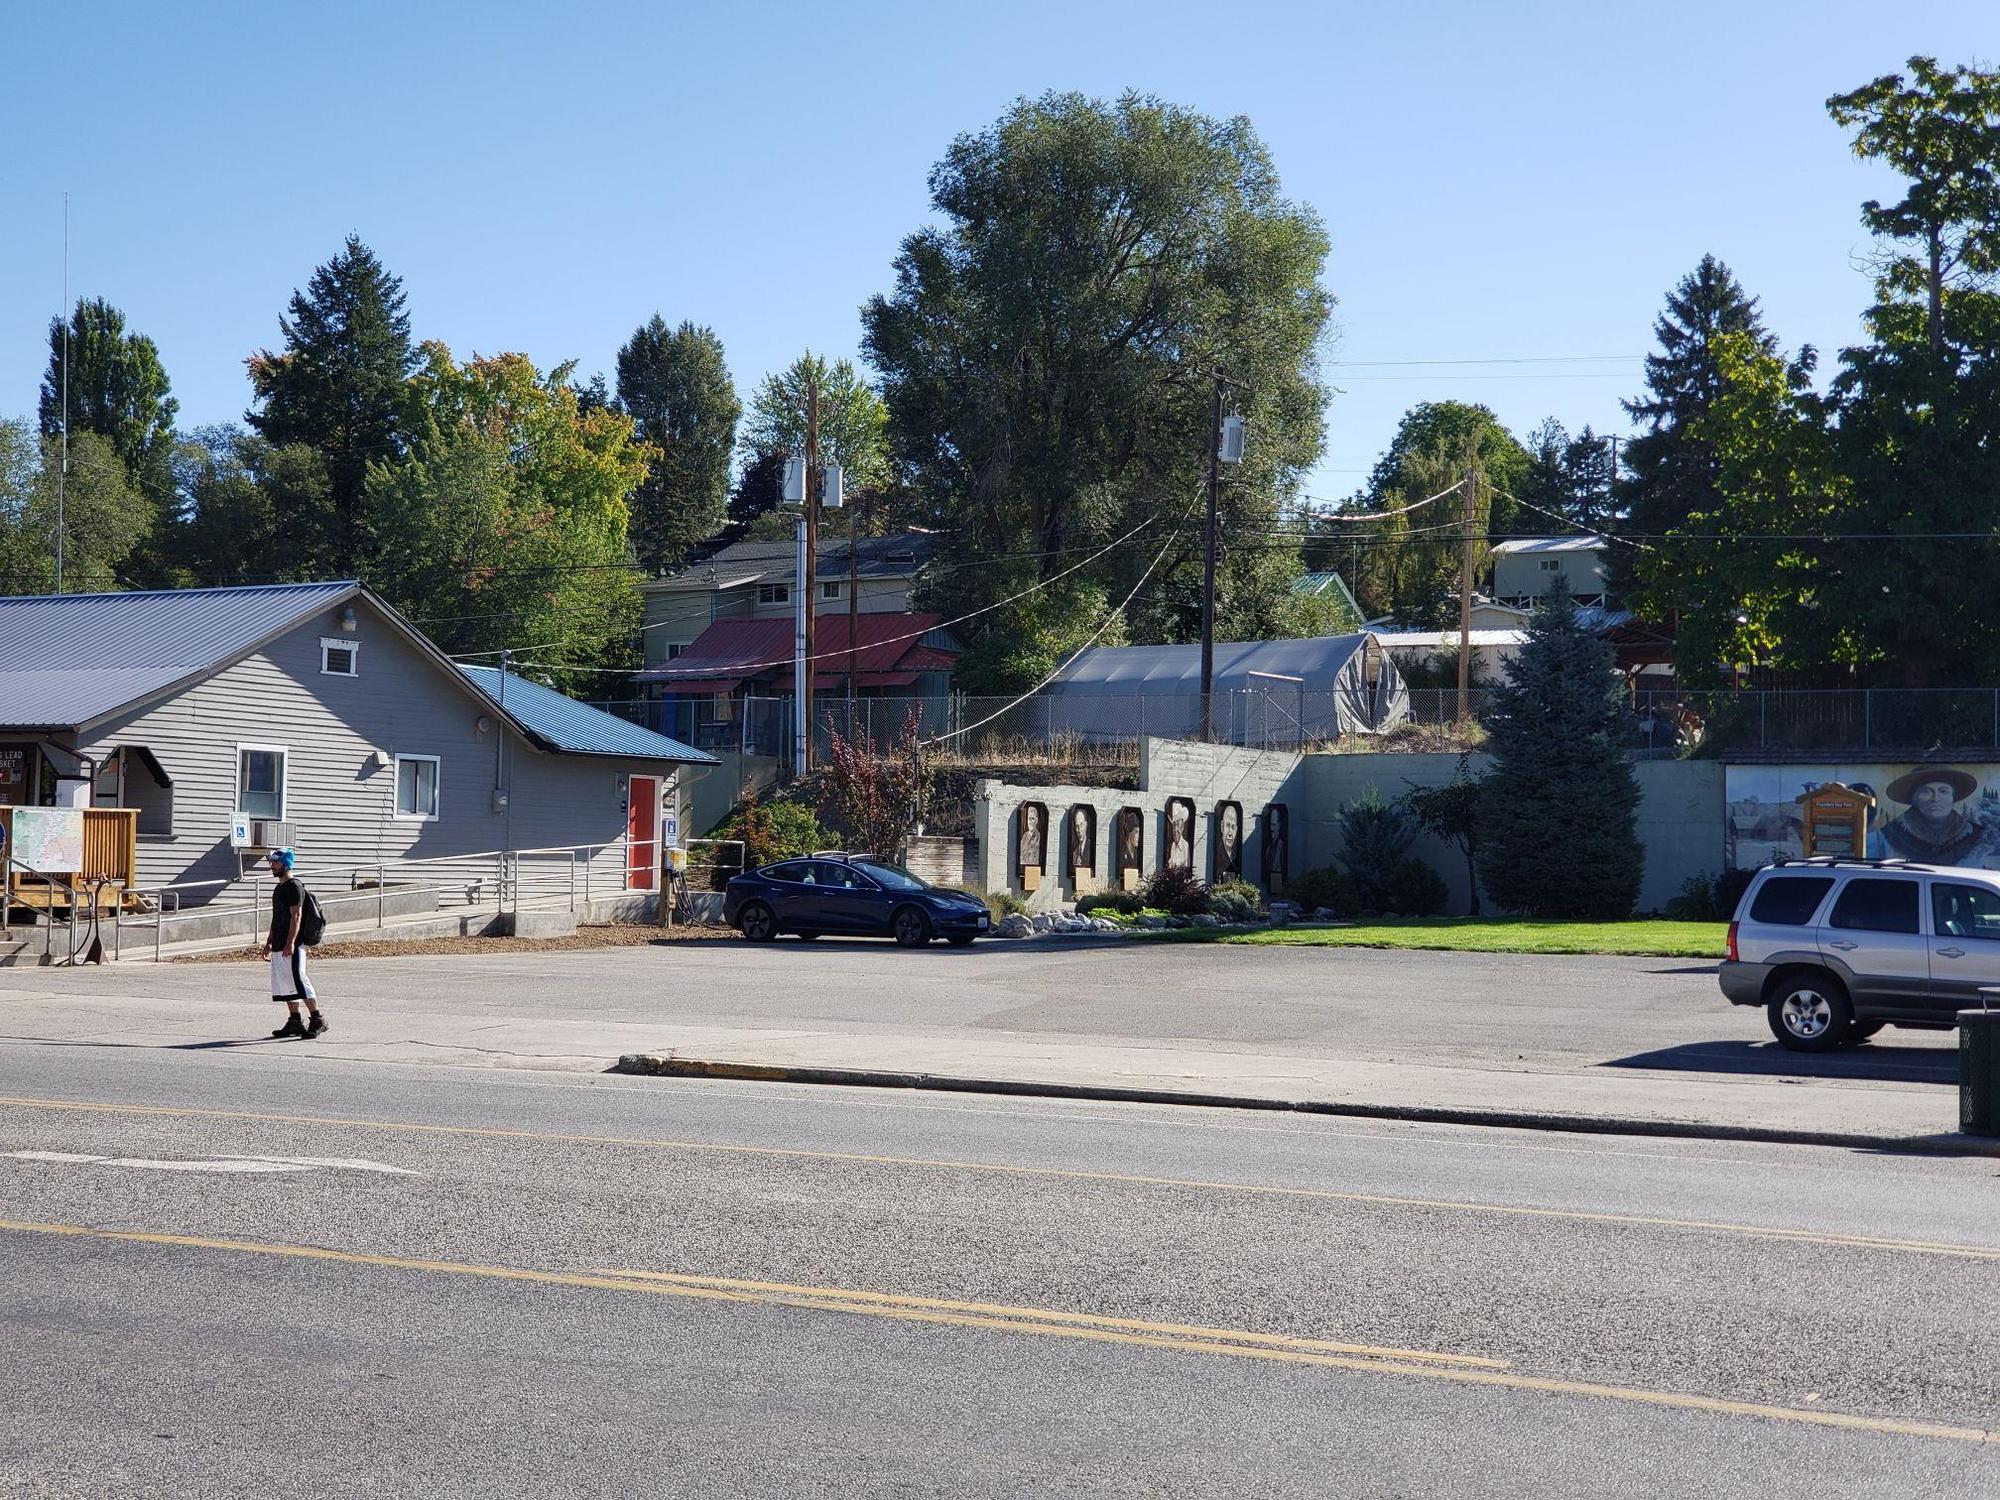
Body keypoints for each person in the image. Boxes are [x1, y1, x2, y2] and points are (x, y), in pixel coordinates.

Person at [261, 848, 326, 1039]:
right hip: (280, 944)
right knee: (285, 983)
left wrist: (291, 943)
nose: (272, 865)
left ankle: (317, 1019)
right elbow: (276, 918)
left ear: (286, 864)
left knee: (299, 980)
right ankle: (295, 1021)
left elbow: (296, 916)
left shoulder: (294, 886)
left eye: (276, 862)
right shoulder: (279, 888)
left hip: (294, 944)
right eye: (272, 862)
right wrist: (269, 942)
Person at [1867, 767, 1985, 864]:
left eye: (1943, 791)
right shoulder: (1886, 837)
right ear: (1913, 799)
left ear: (1953, 798)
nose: (1935, 799)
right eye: (1926, 791)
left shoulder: (1977, 837)